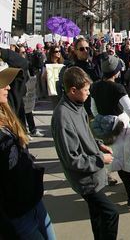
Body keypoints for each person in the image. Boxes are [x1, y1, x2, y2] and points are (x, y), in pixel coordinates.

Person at [51, 67, 119, 240]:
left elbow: (85, 135)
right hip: (85, 180)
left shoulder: (78, 105)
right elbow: (72, 159)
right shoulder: (62, 117)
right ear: (73, 90)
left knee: (97, 216)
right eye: (86, 90)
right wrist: (100, 159)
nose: (89, 94)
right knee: (111, 214)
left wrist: (99, 145)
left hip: (92, 174)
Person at [0, 62, 56, 239]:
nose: (8, 86)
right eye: (2, 82)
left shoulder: (6, 113)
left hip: (34, 202)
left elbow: (22, 67)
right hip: (16, 213)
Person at [90, 54, 130, 208]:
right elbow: (129, 108)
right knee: (124, 160)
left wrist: (102, 119)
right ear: (116, 72)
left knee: (118, 158)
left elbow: (93, 108)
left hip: (106, 126)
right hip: (120, 126)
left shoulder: (95, 86)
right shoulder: (118, 88)